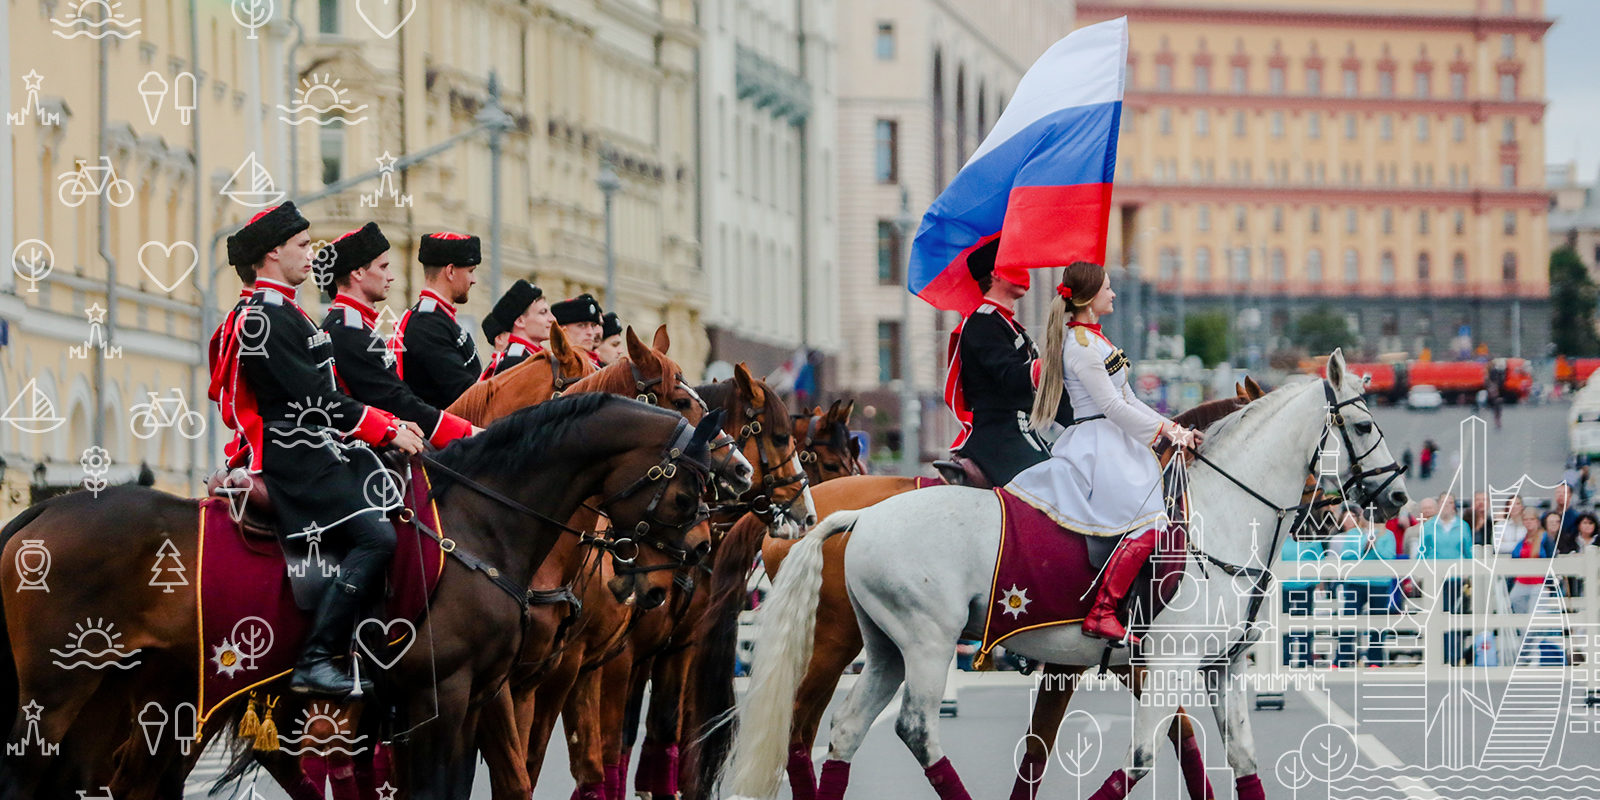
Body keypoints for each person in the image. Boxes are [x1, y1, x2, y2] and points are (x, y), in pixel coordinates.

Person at [214, 203, 426, 698]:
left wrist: (390, 425)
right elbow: (313, 400)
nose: (313, 254)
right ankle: (315, 658)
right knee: (377, 538)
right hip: (295, 453)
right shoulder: (264, 317)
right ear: (273, 253)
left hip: (315, 446)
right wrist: (383, 429)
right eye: (303, 245)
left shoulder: (283, 310)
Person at [1007, 261, 1201, 646]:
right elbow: (1112, 407)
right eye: (1107, 288)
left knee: (1153, 518)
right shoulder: (1080, 347)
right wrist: (1167, 431)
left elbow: (1130, 399)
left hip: (1114, 438)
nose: (1113, 294)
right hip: (1099, 443)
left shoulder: (1096, 341)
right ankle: (1103, 610)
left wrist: (1174, 429)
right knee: (1149, 522)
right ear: (1089, 298)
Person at [316, 222, 477, 448]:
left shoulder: (354, 325)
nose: (390, 277)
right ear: (358, 272)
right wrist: (468, 433)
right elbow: (393, 400)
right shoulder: (346, 330)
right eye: (383, 267)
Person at [941, 238, 1072, 487]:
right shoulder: (983, 322)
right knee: (1052, 487)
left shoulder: (1009, 325)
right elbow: (1011, 378)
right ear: (995, 273)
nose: (1025, 271)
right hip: (998, 436)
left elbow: (1045, 394)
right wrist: (1054, 363)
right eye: (1015, 264)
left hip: (1021, 432)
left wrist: (1088, 423)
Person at [394, 232, 482, 409]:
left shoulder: (437, 317)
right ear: (450, 271)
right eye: (470, 271)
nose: (474, 280)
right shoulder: (427, 324)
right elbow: (465, 394)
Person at [1333, 509, 1398, 667]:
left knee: (1378, 623)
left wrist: (1375, 546)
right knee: (1349, 620)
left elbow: (1389, 556)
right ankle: (1341, 659)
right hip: (1355, 582)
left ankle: (1375, 661)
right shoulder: (1353, 534)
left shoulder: (1387, 535)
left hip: (1379, 583)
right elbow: (1346, 555)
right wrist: (1365, 545)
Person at [1419, 492, 1472, 664]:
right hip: (1435, 579)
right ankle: (1438, 656)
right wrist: (1420, 573)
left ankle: (1455, 656)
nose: (1446, 506)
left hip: (1456, 578)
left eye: (1449, 503)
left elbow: (1468, 552)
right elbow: (1422, 551)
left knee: (1455, 617)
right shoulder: (1429, 526)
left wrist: (1469, 573)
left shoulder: (1462, 526)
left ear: (1454, 505)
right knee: (1436, 617)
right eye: (1443, 502)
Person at [478, 279, 553, 380]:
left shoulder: (530, 356)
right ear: (520, 321)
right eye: (543, 312)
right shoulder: (515, 361)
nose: (552, 319)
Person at [550, 293, 605, 366]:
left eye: (593, 326)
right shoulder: (552, 365)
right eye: (582, 325)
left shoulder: (596, 364)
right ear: (561, 329)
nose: (590, 332)